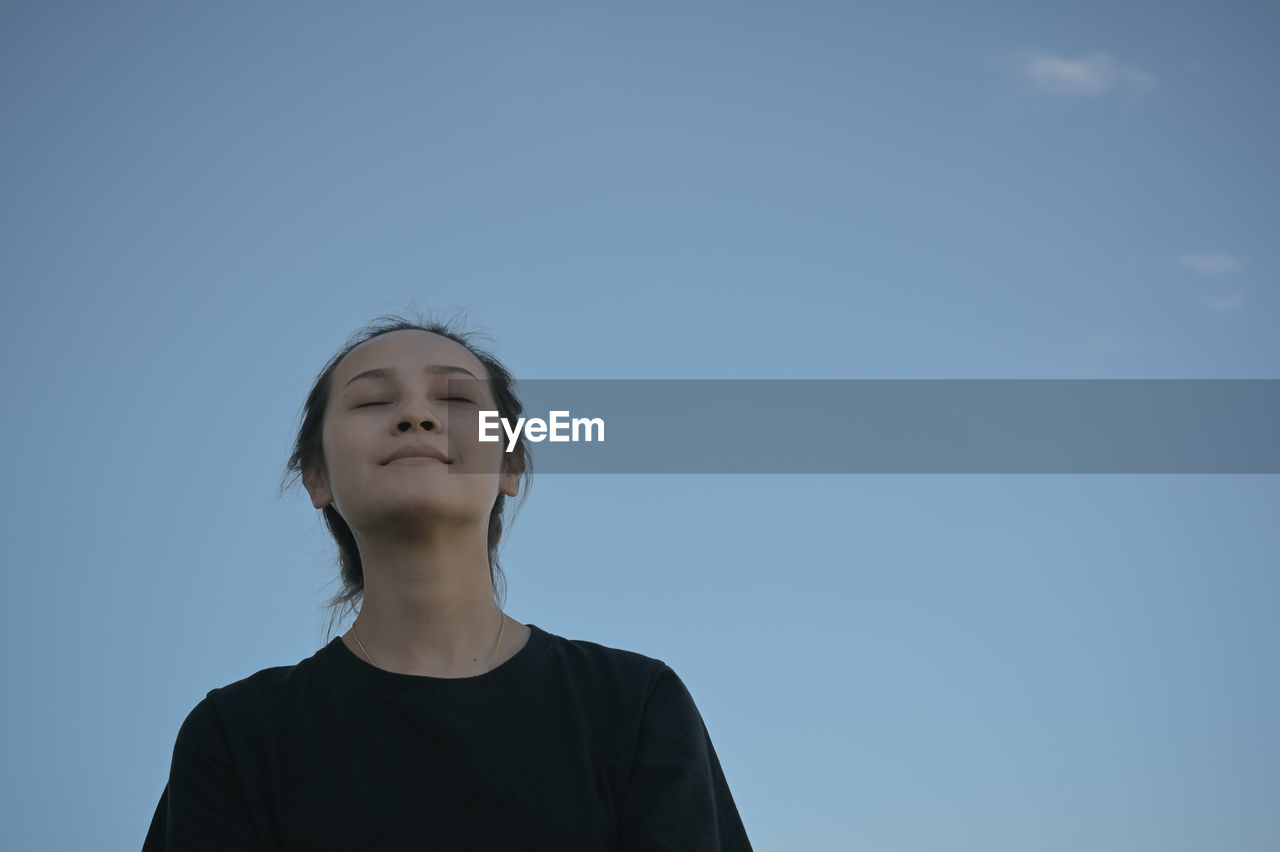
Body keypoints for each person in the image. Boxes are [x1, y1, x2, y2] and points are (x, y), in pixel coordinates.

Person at [143, 316, 753, 851]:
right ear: (316, 475)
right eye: (372, 402)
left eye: (456, 399)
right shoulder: (236, 737)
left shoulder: (636, 704)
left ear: (511, 465)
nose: (416, 415)